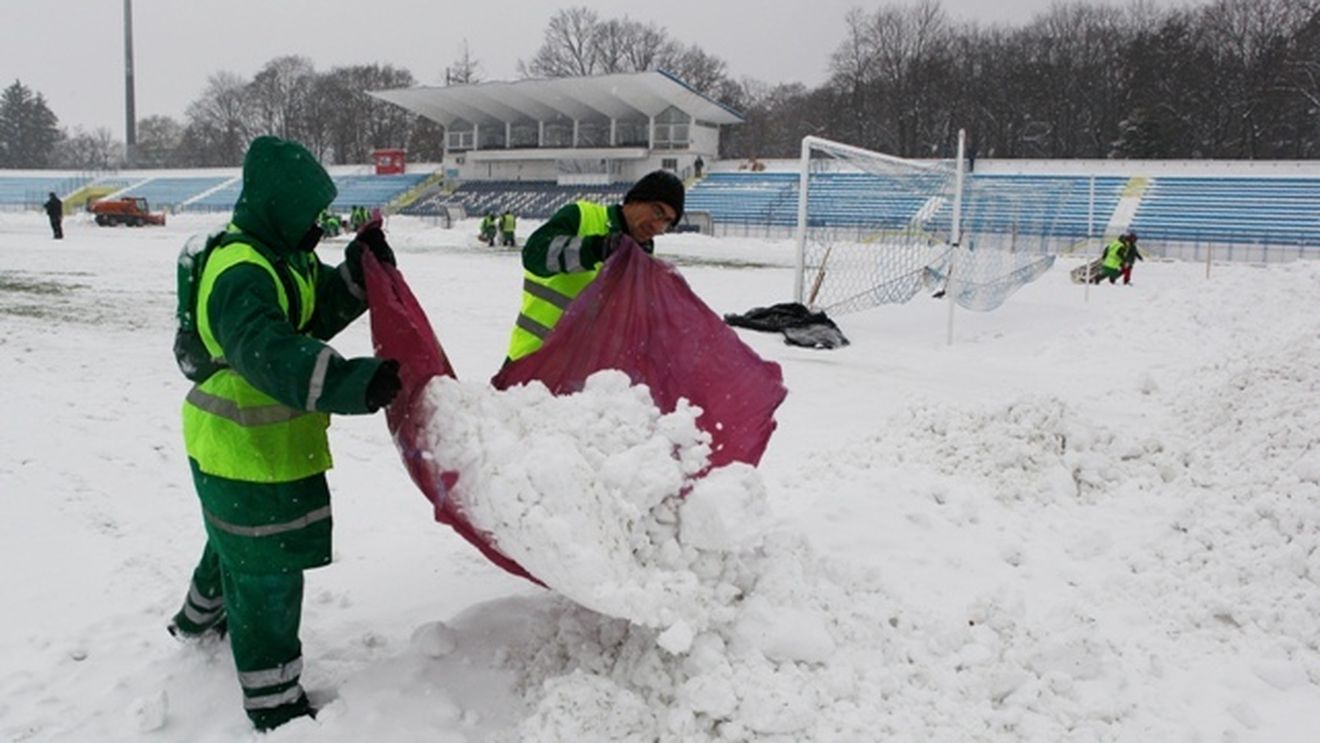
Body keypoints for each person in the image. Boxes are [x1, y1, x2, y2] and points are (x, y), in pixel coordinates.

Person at [167, 135, 401, 732]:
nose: (315, 226)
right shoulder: (241, 271)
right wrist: (355, 384)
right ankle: (274, 702)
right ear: (276, 207)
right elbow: (269, 351)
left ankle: (197, 620)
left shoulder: (279, 255)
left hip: (256, 449)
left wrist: (357, 269)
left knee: (234, 543)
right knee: (266, 574)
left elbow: (313, 307)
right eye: (307, 214)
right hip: (242, 447)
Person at [505, 169, 684, 363]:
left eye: (667, 221)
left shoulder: (644, 258)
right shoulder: (582, 216)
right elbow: (535, 254)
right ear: (634, 200)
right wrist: (594, 248)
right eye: (657, 211)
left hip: (583, 378)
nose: (658, 227)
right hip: (530, 362)